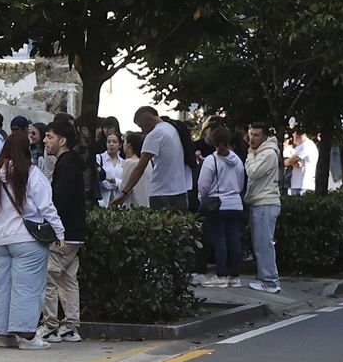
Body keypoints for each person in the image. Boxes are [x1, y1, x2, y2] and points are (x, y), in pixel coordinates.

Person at [0, 130, 63, 350]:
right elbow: (46, 207)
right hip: (27, 239)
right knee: (28, 288)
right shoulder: (31, 173)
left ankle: (3, 333)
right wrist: (60, 232)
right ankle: (27, 335)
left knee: (1, 287)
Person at [39, 121, 90, 343]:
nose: (44, 141)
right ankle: (70, 327)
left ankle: (50, 325)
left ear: (62, 140)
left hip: (64, 233)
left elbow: (59, 199)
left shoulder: (65, 164)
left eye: (49, 136)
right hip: (75, 232)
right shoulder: (72, 164)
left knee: (49, 277)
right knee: (68, 280)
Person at [196, 120, 247, 287]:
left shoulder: (211, 160)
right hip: (236, 204)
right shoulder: (238, 160)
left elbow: (203, 185)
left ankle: (221, 275)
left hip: (217, 205)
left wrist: (203, 197)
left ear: (213, 140)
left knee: (219, 240)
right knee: (234, 239)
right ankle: (235, 276)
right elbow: (240, 184)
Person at [117, 106, 194, 210]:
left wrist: (124, 192)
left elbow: (140, 168)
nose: (142, 131)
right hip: (180, 191)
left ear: (147, 118)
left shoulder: (154, 135)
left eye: (141, 126)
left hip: (161, 193)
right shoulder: (173, 129)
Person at [244, 120, 283, 294]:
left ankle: (270, 280)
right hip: (261, 201)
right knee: (260, 243)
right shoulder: (262, 151)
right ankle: (267, 278)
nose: (252, 138)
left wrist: (250, 155)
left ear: (265, 136)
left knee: (263, 243)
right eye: (251, 134)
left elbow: (253, 172)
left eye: (256, 135)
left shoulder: (267, 154)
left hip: (265, 201)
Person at [98, 129, 132, 207]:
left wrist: (114, 181)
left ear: (120, 145)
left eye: (114, 142)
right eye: (109, 142)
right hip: (102, 200)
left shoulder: (124, 162)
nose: (111, 144)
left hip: (118, 201)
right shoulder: (99, 159)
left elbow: (125, 182)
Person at [285, 125, 319, 197]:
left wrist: (289, 161)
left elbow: (289, 161)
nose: (293, 137)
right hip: (297, 183)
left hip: (304, 185)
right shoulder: (301, 146)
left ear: (298, 135)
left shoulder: (307, 145)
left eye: (294, 135)